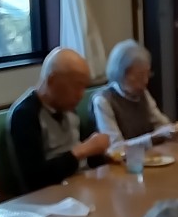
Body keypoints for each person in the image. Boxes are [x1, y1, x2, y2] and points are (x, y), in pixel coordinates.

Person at [8, 48, 110, 192]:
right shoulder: (25, 114)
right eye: (76, 86)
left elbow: (91, 159)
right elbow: (34, 180)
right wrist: (81, 151)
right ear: (52, 80)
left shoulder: (68, 107)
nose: (81, 95)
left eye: (84, 87)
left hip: (83, 185)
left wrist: (99, 150)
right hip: (52, 195)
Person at [91, 39, 173, 149]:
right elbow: (115, 147)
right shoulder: (103, 100)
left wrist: (175, 129)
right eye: (140, 76)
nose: (146, 81)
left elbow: (162, 123)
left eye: (148, 74)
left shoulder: (142, 92)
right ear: (122, 74)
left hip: (147, 155)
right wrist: (152, 138)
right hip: (119, 160)